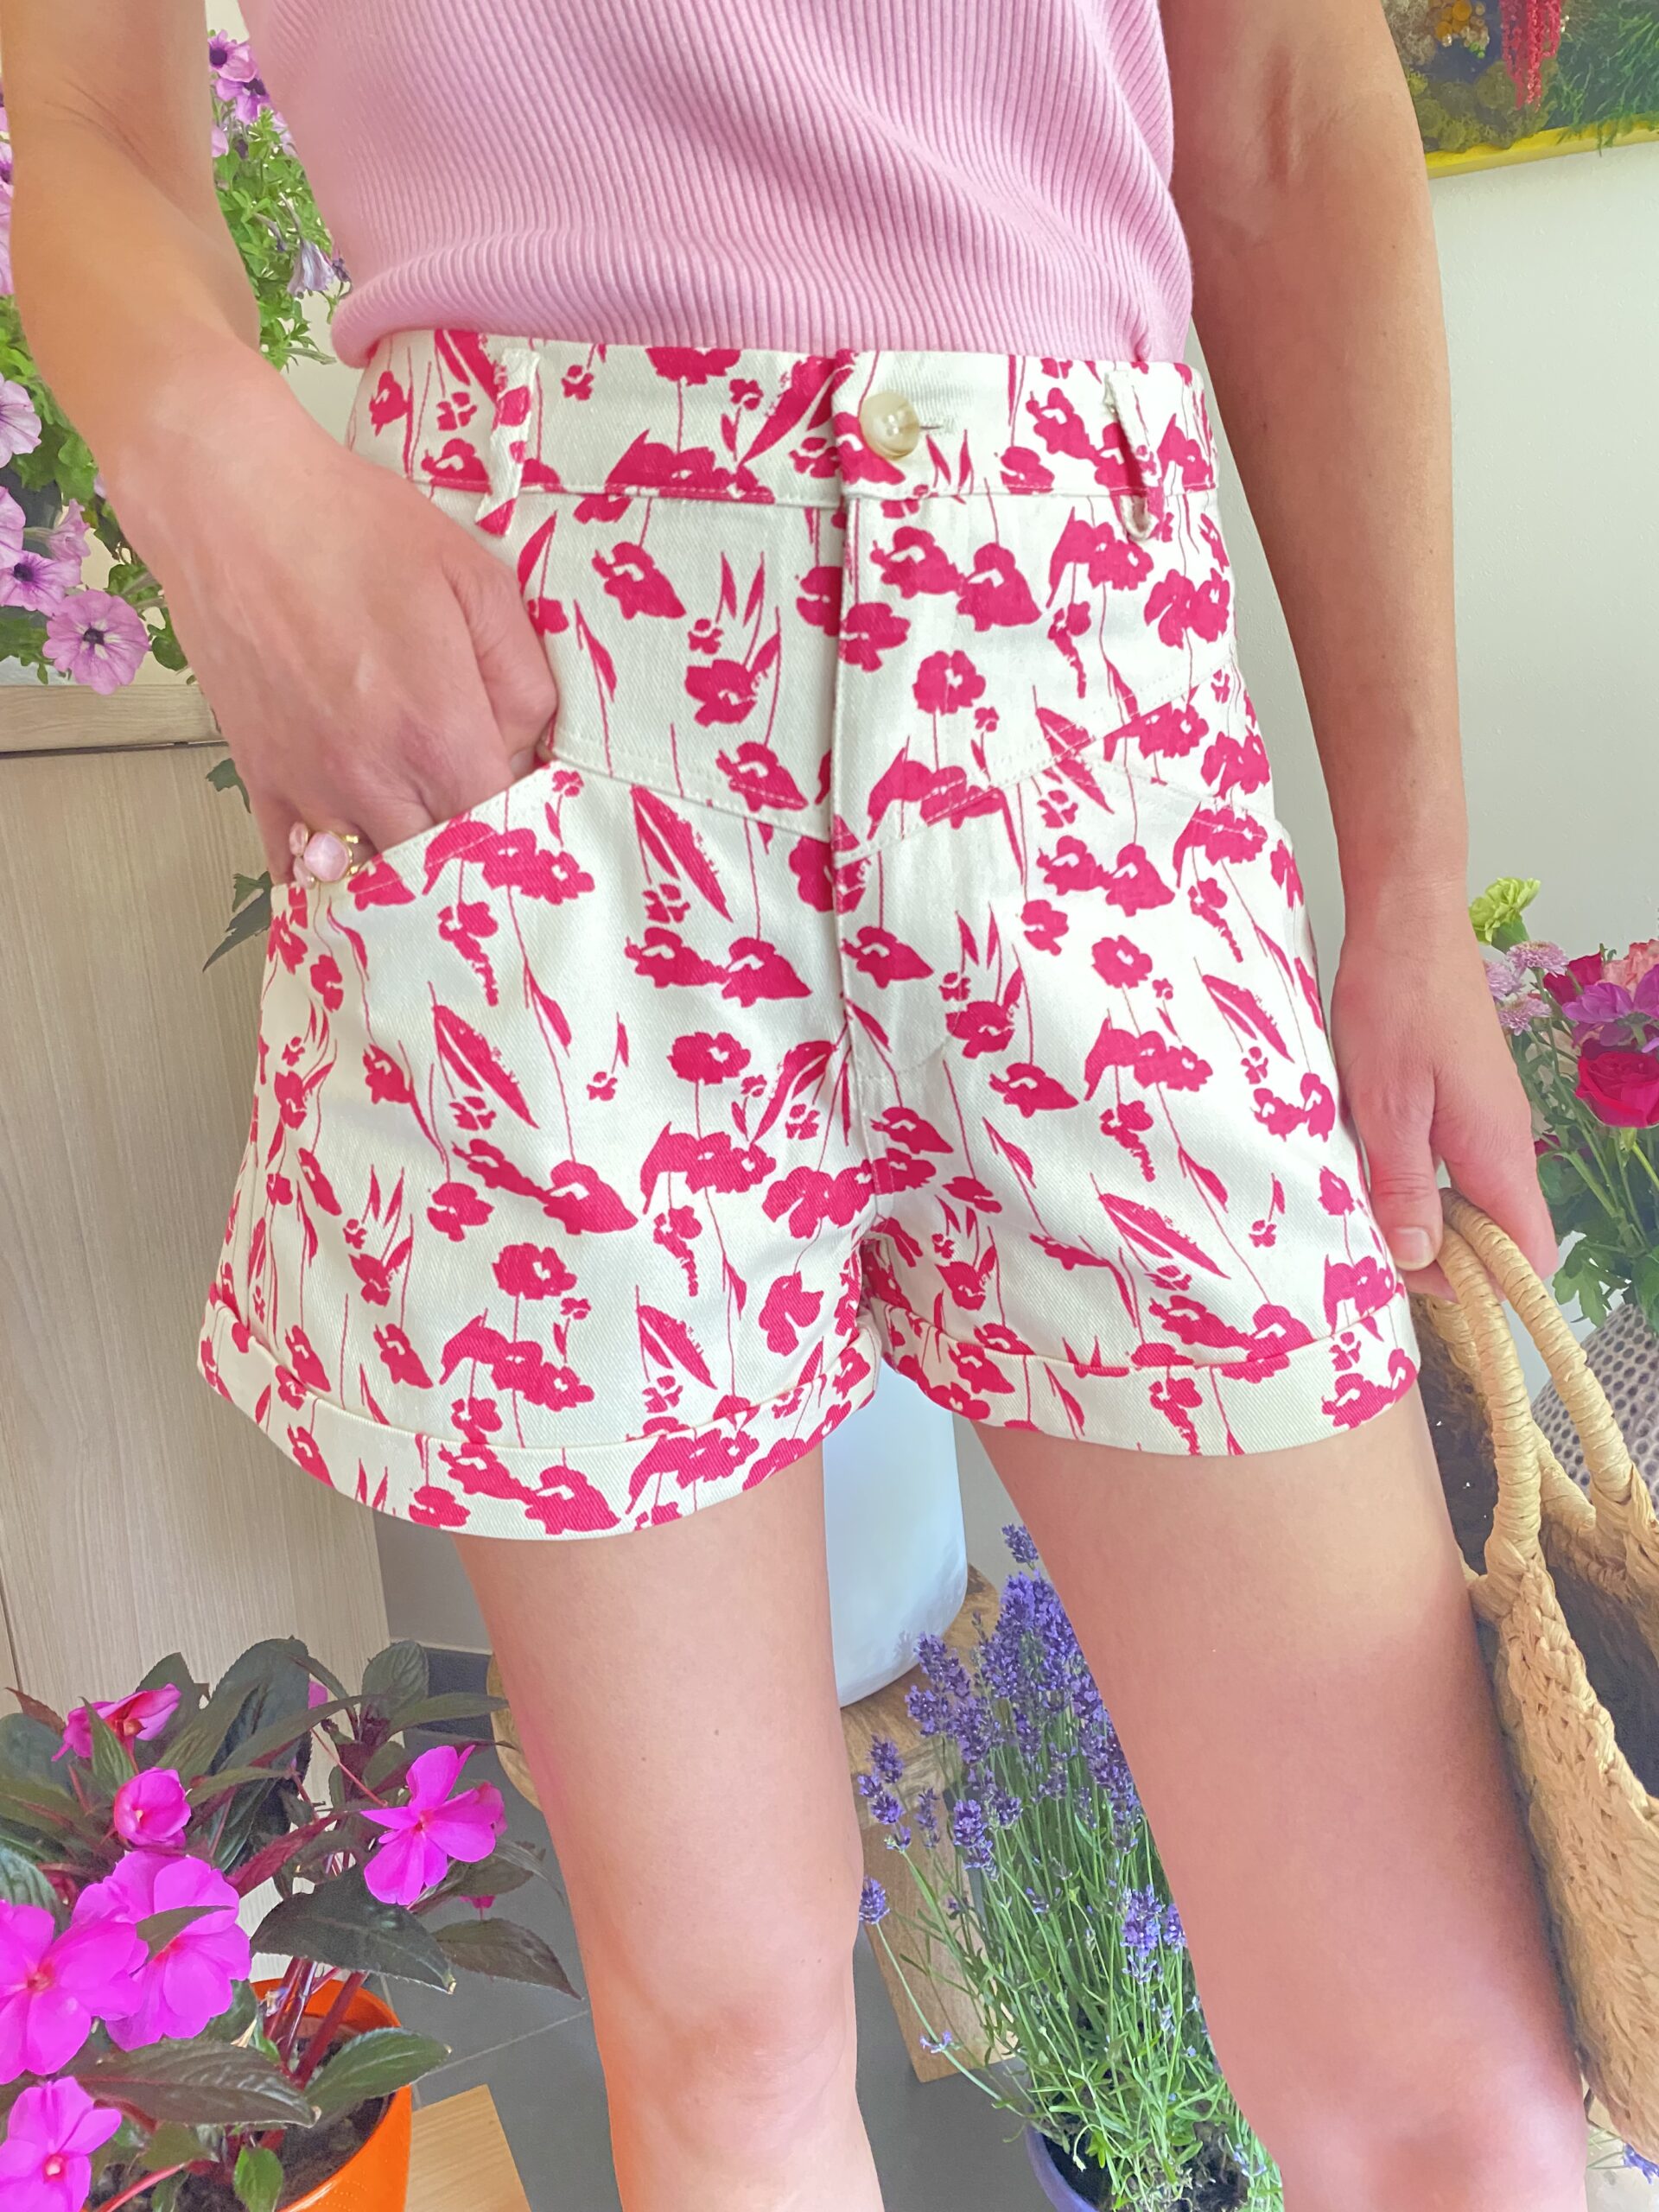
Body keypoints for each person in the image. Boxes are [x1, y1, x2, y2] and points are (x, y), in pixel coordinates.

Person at [3, 2, 1592, 2205]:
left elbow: (1291, 118)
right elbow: (84, 112)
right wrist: (224, 478)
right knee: (727, 2032)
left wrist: (1411, 884)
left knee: (1441, 2069)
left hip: (1077, 690)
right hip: (532, 707)